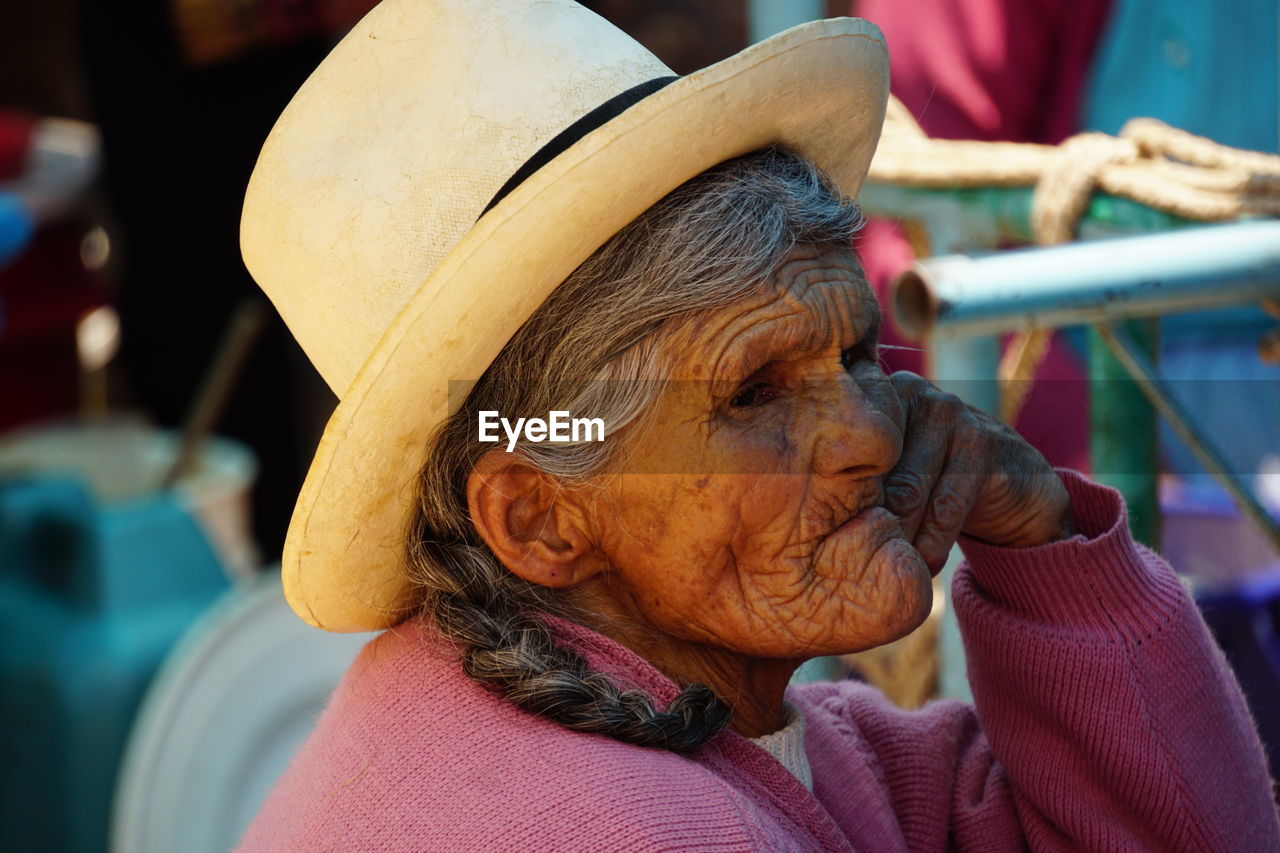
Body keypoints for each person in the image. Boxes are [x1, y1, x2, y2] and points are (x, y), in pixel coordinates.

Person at [235, 1, 1280, 849]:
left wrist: (1047, 547)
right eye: (753, 394)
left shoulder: (738, 737)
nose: (869, 431)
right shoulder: (627, 825)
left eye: (858, 354)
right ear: (539, 513)